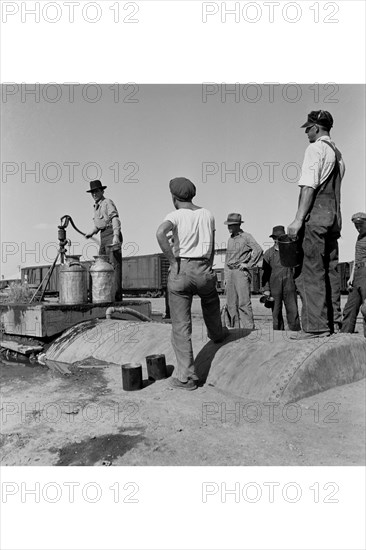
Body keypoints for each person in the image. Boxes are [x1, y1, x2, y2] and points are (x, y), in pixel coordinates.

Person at [156, 177, 225, 391]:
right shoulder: (207, 214)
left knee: (181, 325)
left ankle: (187, 377)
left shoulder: (174, 215)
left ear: (174, 197)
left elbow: (160, 233)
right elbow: (211, 245)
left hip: (182, 269)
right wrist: (209, 265)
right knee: (210, 300)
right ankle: (217, 333)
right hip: (203, 267)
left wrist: (173, 260)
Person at [287, 110, 345, 339]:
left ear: (317, 128)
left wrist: (298, 218)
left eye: (308, 128)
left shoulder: (315, 149)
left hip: (316, 216)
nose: (306, 132)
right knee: (330, 270)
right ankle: (333, 323)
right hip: (333, 217)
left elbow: (309, 186)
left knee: (310, 270)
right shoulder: (338, 154)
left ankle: (315, 327)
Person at [85, 179, 123, 301]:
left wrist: (116, 236)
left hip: (112, 233)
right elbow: (99, 224)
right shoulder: (96, 206)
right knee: (101, 265)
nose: (94, 194)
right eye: (92, 192)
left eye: (96, 191)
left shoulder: (107, 203)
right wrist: (91, 232)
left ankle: (117, 296)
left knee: (114, 266)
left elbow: (115, 219)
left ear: (102, 191)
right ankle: (103, 296)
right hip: (103, 235)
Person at [224, 213, 263, 329]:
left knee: (244, 303)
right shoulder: (230, 239)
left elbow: (258, 250)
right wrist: (226, 276)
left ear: (238, 225)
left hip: (240, 273)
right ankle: (233, 329)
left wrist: (248, 264)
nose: (229, 227)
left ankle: (248, 328)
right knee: (231, 304)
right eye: (228, 225)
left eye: (231, 225)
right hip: (230, 273)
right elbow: (227, 259)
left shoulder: (246, 237)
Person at [262, 225, 301, 331]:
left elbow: (298, 268)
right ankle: (278, 336)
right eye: (274, 238)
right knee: (276, 312)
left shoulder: (291, 251)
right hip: (275, 287)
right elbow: (265, 274)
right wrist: (266, 290)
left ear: (283, 238)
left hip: (289, 285)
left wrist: (297, 283)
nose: (276, 240)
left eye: (279, 237)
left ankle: (295, 332)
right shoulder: (268, 254)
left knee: (293, 311)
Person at [340, 212, 366, 337]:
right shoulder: (359, 237)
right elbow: (356, 259)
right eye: (356, 225)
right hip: (357, 274)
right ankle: (345, 337)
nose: (358, 228)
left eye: (361, 224)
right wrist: (351, 276)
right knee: (350, 307)